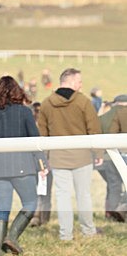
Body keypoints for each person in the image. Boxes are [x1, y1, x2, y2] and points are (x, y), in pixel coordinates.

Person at [0, 76, 47, 256]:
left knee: (3, 207)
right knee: (30, 203)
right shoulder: (25, 112)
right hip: (23, 167)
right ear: (18, 91)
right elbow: (35, 140)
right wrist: (42, 163)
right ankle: (12, 236)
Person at [37, 68, 103, 241]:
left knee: (62, 196)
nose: (81, 85)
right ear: (71, 81)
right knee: (84, 195)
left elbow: (42, 134)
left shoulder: (46, 103)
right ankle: (88, 231)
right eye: (79, 81)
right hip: (82, 157)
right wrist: (98, 152)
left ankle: (65, 234)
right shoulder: (83, 101)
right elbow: (94, 129)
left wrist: (45, 158)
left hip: (58, 158)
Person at [98, 94, 127, 221]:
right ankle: (121, 209)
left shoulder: (103, 117)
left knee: (113, 186)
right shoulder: (123, 115)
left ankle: (112, 214)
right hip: (123, 155)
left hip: (106, 157)